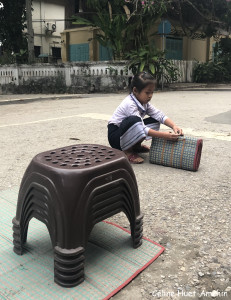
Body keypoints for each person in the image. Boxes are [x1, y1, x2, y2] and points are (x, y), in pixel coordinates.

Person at [107, 71, 183, 164]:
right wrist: (164, 135)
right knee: (135, 120)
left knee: (154, 119)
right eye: (147, 92)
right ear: (135, 90)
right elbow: (141, 128)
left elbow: (159, 115)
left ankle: (135, 146)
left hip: (126, 132)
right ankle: (127, 151)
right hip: (116, 137)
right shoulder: (130, 103)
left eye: (152, 92)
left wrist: (174, 126)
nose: (150, 96)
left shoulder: (144, 103)